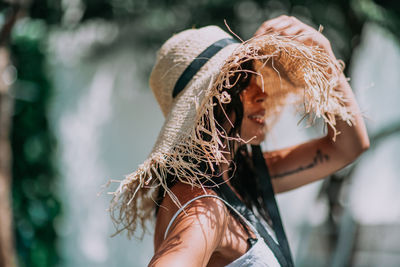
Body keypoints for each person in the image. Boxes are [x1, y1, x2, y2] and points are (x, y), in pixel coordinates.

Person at [108, 15, 369, 267]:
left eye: (256, 77)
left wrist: (325, 56)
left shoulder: (240, 179)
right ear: (206, 105)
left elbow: (346, 147)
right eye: (241, 81)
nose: (261, 93)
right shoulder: (203, 205)